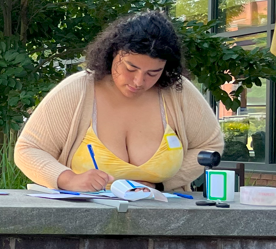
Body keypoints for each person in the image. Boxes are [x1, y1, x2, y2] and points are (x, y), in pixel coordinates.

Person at [15, 10, 224, 192]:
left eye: (153, 72)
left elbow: (210, 145)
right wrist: (68, 179)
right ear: (113, 53)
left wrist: (162, 185)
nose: (139, 81)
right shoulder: (77, 90)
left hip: (165, 226)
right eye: (130, 68)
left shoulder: (178, 92)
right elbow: (28, 150)